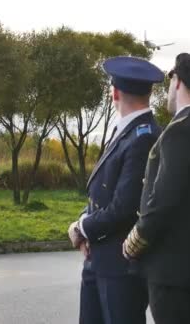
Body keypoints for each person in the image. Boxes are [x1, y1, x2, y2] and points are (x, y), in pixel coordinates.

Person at [123, 53, 190, 324]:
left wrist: (135, 240)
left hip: (171, 269)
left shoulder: (179, 131)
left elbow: (163, 200)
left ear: (177, 81)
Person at [67, 56, 164, 324]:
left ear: (115, 93)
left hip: (121, 267)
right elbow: (102, 194)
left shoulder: (144, 137)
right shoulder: (126, 132)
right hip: (100, 258)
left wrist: (81, 228)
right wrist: (86, 227)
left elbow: (125, 206)